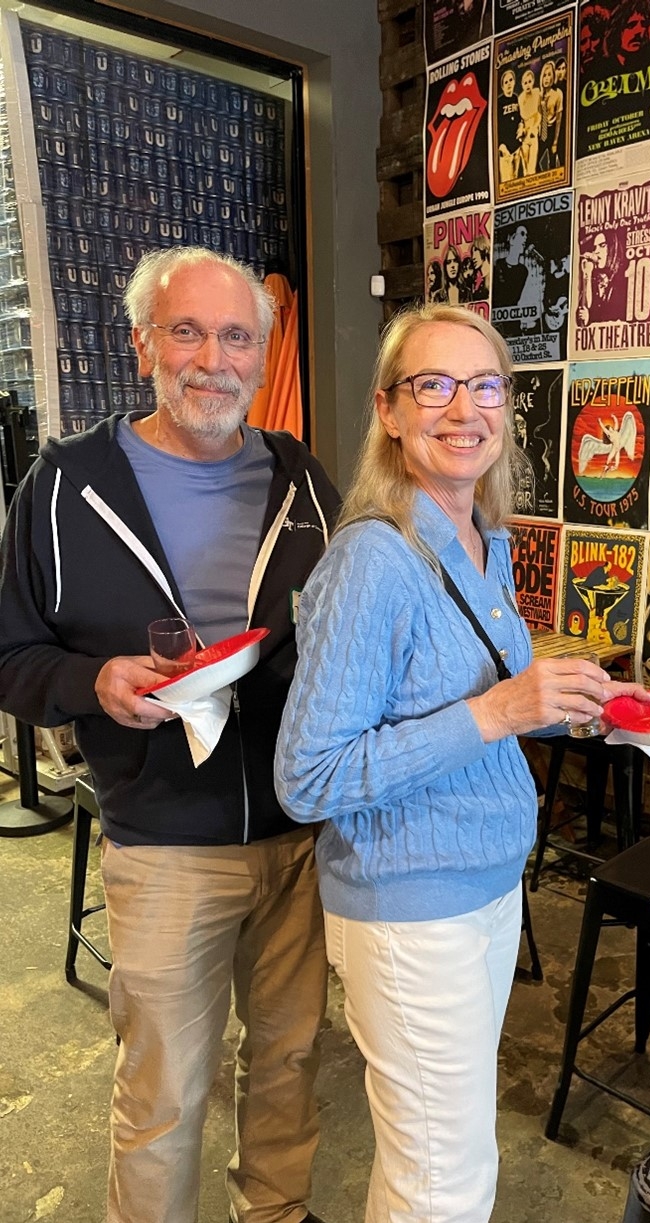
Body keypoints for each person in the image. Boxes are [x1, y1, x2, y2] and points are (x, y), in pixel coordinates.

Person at [275, 304, 650, 1223]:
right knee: (444, 1182)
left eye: (484, 385)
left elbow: (497, 704)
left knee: (433, 1161)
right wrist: (496, 712)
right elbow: (308, 776)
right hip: (410, 910)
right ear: (389, 410)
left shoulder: (483, 537)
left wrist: (585, 710)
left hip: (485, 886)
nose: (462, 408)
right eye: (433, 384)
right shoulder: (373, 559)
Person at [0, 246, 340, 1223]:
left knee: (288, 1060)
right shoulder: (65, 487)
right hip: (162, 843)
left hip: (299, 832)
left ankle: (273, 1210)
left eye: (236, 336)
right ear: (142, 343)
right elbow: (10, 655)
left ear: (261, 354)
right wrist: (92, 682)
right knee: (163, 1091)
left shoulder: (300, 478)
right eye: (186, 331)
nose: (213, 360)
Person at [537, 59, 564, 172]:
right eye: (544, 75)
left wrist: (555, 142)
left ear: (553, 76)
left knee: (552, 162)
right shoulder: (539, 95)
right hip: (540, 133)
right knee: (536, 162)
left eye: (549, 75)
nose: (546, 78)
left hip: (552, 130)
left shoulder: (557, 94)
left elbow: (559, 120)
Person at [496, 68, 521, 184]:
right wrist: (501, 146)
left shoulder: (516, 98)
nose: (509, 84)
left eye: (511, 80)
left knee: (516, 182)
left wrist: (521, 126)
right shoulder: (498, 102)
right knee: (507, 183)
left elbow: (519, 118)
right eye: (506, 82)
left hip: (516, 147)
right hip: (505, 150)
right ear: (502, 86)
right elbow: (496, 127)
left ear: (514, 82)